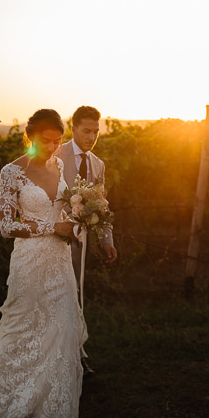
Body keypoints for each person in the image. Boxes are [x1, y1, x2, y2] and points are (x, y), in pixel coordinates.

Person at [0, 109, 87, 418]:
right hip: (30, 260)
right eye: (45, 141)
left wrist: (77, 221)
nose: (51, 148)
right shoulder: (12, 172)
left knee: (60, 327)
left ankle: (51, 408)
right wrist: (53, 227)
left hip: (59, 262)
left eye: (57, 141)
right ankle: (7, 399)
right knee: (24, 327)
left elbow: (66, 209)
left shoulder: (61, 164)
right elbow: (6, 225)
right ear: (30, 137)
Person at [58, 105, 118, 378]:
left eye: (96, 131)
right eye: (86, 131)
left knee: (78, 297)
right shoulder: (55, 156)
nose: (92, 136)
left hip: (83, 245)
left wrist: (106, 240)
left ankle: (78, 356)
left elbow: (101, 206)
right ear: (73, 129)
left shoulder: (98, 164)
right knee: (57, 298)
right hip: (54, 241)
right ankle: (57, 357)